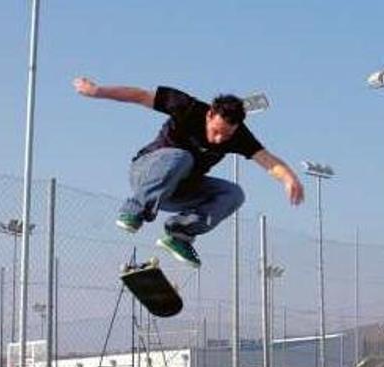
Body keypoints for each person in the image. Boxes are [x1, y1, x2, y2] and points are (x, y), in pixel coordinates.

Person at [73, 77, 304, 268]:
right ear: (210, 114)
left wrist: (289, 178)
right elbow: (140, 95)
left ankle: (180, 233)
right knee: (182, 157)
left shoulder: (239, 135)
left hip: (178, 192)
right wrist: (97, 91)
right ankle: (134, 208)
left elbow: (266, 159)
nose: (219, 139)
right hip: (147, 173)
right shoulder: (187, 107)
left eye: (227, 135)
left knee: (234, 194)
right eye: (216, 131)